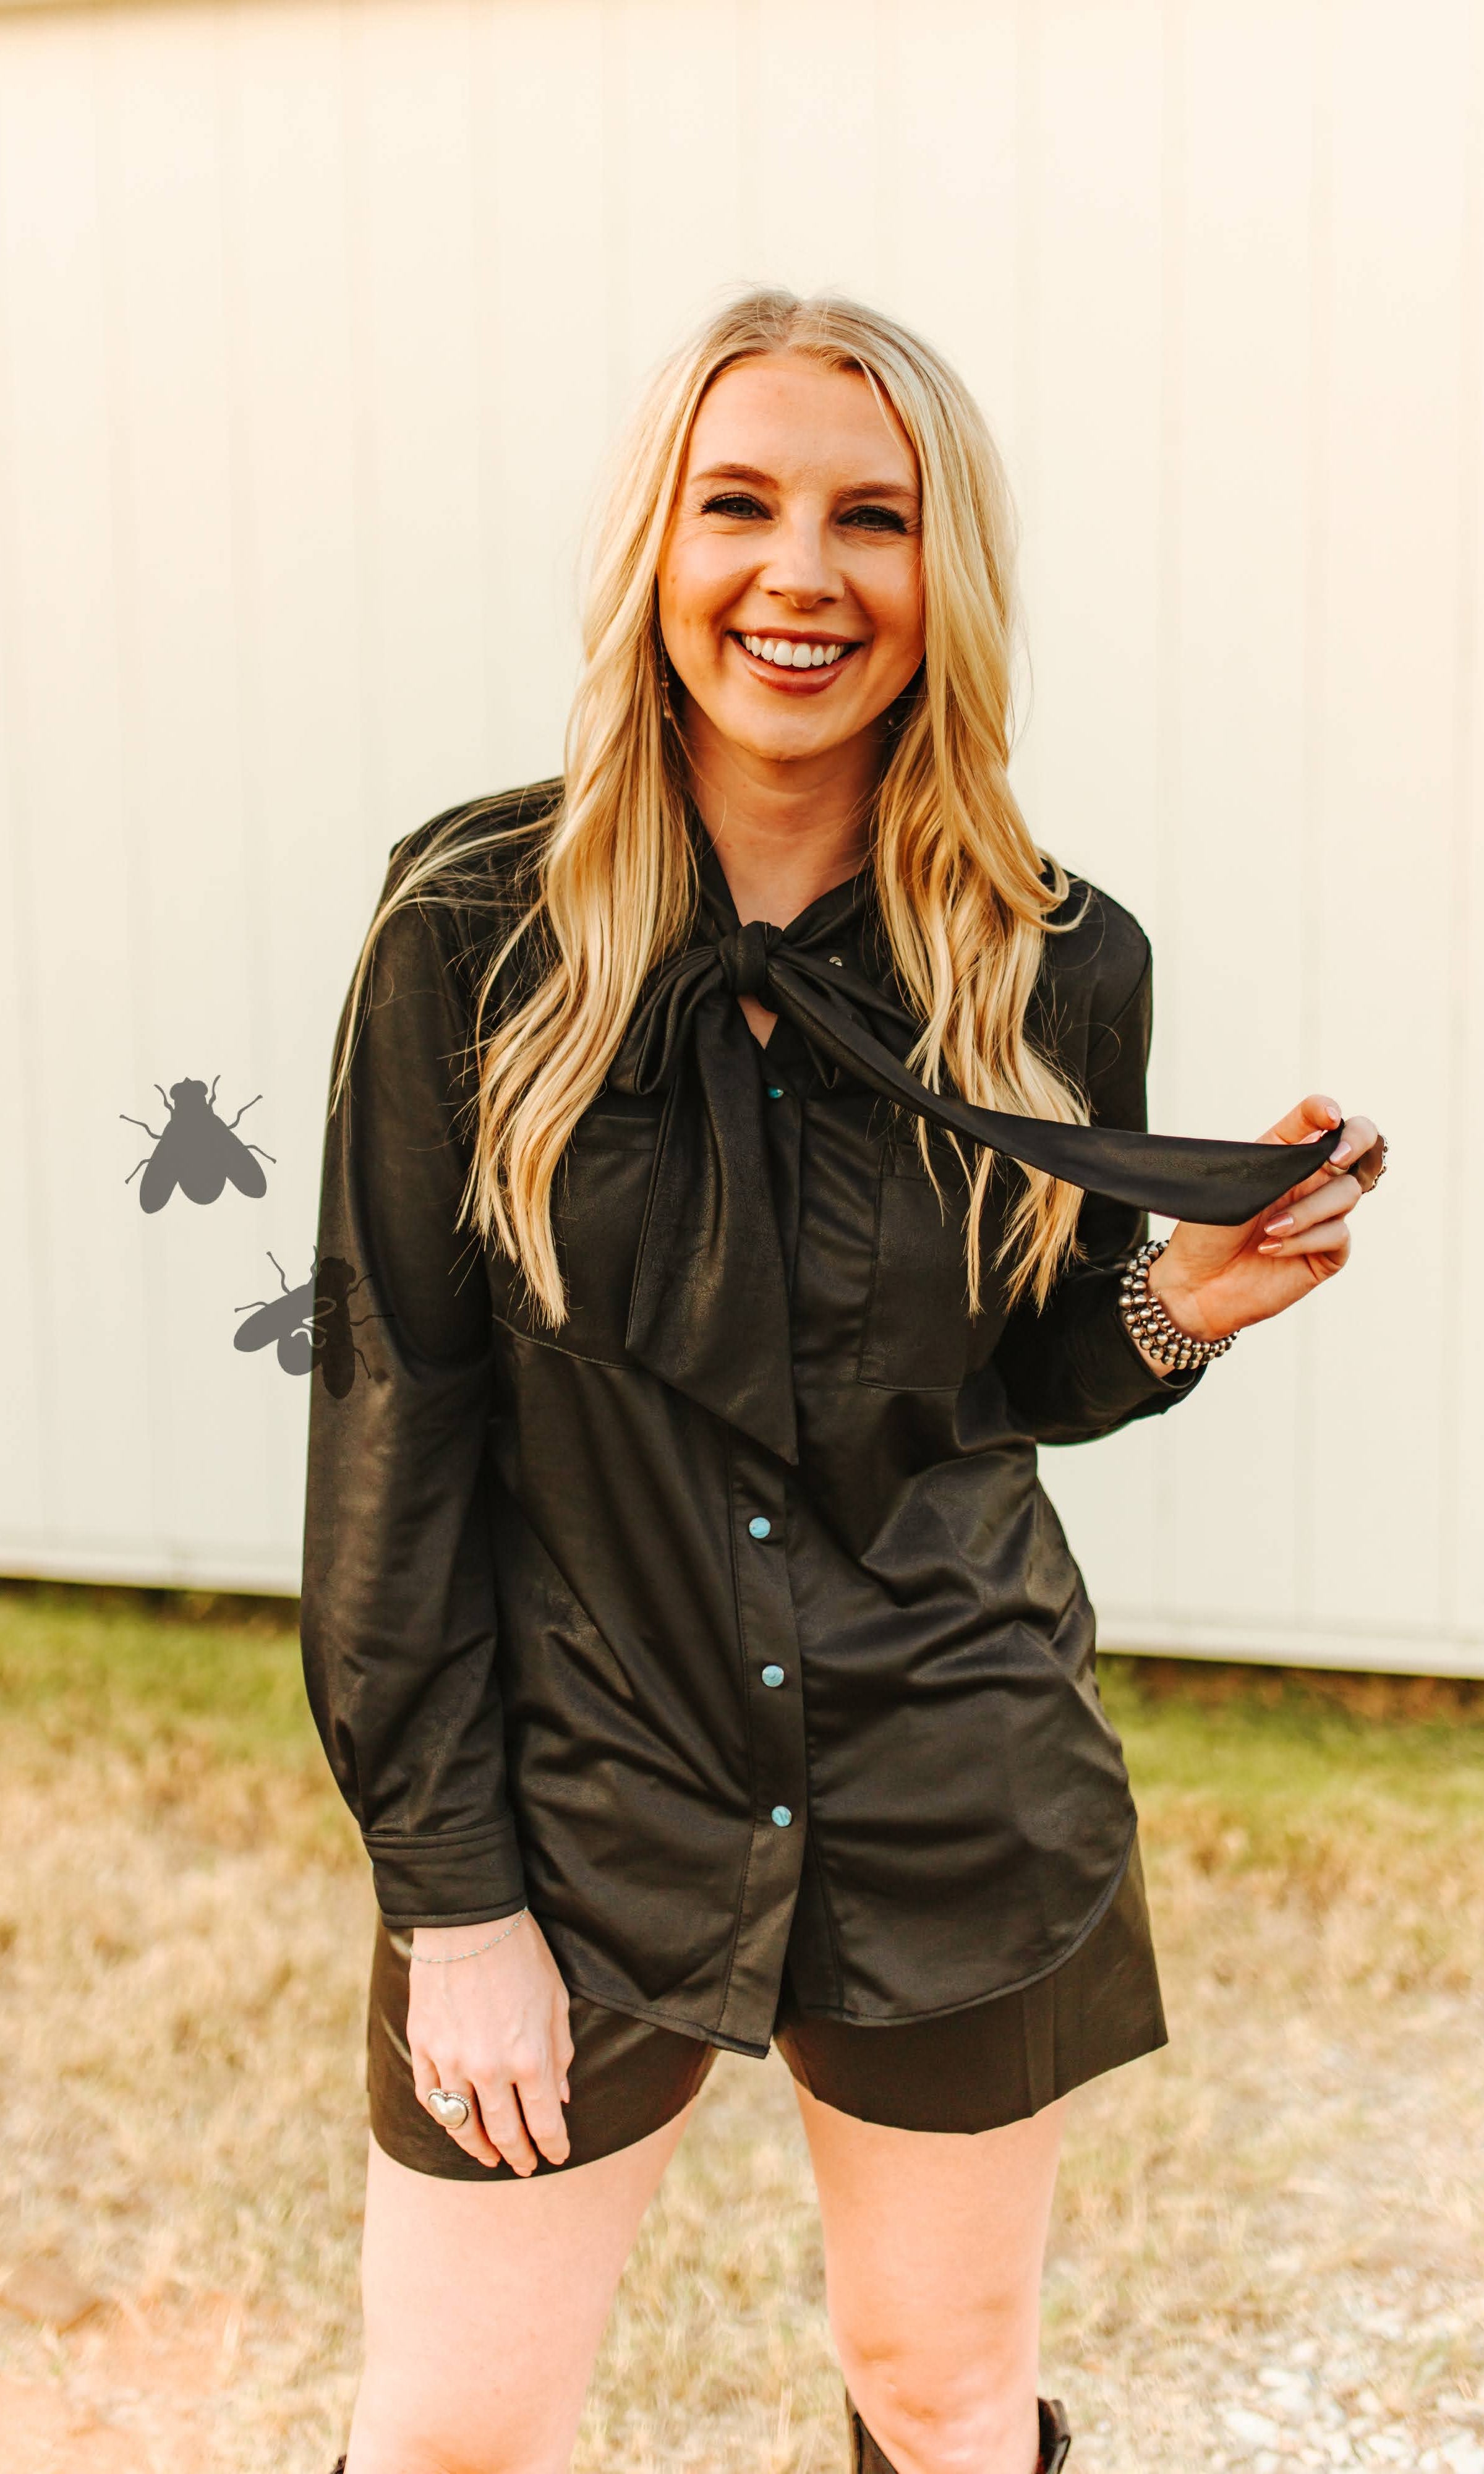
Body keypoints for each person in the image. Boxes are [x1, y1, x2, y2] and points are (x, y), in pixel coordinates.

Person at [301, 289, 1384, 2474]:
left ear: (941, 575)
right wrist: (453, 1900)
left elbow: (1014, 1375)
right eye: (742, 505)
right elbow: (395, 1430)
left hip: (951, 1775)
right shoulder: (466, 934)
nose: (802, 573)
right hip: (581, 1787)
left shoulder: (1058, 955)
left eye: (871, 518)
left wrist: (1184, 1303)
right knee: (451, 2436)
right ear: (659, 549)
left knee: (943, 2394)